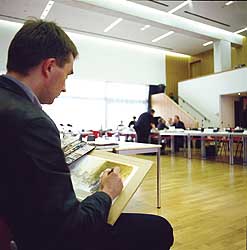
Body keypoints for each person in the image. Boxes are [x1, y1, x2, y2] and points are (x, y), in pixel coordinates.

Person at [0, 20, 173, 250]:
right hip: (36, 237)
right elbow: (72, 229)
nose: (64, 88)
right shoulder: (33, 122)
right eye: (68, 75)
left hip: (14, 221)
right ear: (49, 67)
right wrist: (107, 193)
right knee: (158, 229)